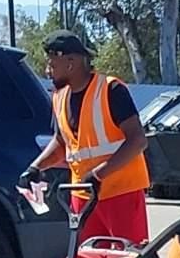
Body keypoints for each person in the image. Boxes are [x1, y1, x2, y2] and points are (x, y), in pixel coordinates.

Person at [26, 30, 152, 245]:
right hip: (83, 194)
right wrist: (35, 168)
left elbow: (138, 140)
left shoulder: (111, 89)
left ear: (71, 63)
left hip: (120, 192)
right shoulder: (59, 96)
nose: (48, 71)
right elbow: (61, 141)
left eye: (52, 65)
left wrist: (98, 174)